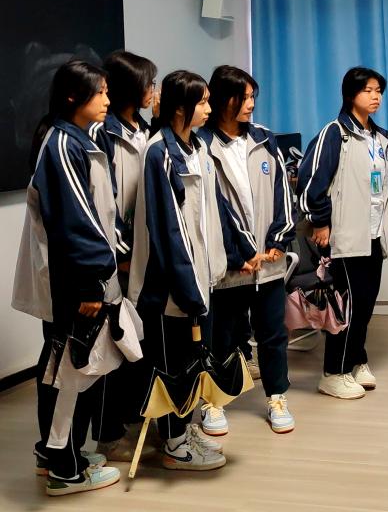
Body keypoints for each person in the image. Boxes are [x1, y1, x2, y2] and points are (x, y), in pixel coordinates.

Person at [127, 70, 259, 471]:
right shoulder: (159, 153)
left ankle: (185, 429)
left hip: (202, 280)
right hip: (170, 286)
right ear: (180, 107)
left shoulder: (198, 147)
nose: (208, 108)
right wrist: (188, 291)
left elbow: (217, 208)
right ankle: (174, 444)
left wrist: (240, 252)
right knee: (171, 367)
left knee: (193, 362)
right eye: (202, 102)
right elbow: (168, 230)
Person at [12, 60, 122, 495]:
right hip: (74, 283)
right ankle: (65, 469)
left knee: (65, 367)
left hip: (75, 279)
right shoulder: (62, 145)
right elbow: (77, 223)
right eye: (101, 92)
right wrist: (92, 283)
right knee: (71, 372)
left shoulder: (76, 140)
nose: (108, 100)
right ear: (74, 96)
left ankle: (57, 453)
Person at [198, 66, 296, 434]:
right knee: (221, 337)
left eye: (253, 96)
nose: (251, 104)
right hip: (230, 266)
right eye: (244, 97)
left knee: (273, 334)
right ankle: (214, 401)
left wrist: (278, 240)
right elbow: (208, 208)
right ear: (223, 99)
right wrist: (236, 255)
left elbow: (282, 193)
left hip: (268, 262)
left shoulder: (264, 139)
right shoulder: (201, 145)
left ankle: (277, 396)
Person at [297, 67, 388, 400]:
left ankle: (356, 360)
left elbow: (387, 183)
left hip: (373, 234)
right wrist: (321, 222)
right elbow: (311, 183)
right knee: (345, 307)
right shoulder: (335, 133)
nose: (376, 96)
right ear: (350, 94)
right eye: (368, 90)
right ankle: (333, 372)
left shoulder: (378, 137)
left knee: (365, 304)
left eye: (379, 91)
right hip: (345, 236)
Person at [89, 50, 158, 461]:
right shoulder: (104, 133)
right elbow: (104, 203)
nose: (153, 90)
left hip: (144, 255)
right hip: (119, 258)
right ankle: (107, 435)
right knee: (114, 344)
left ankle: (133, 417)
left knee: (139, 342)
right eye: (148, 83)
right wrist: (123, 253)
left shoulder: (144, 130)